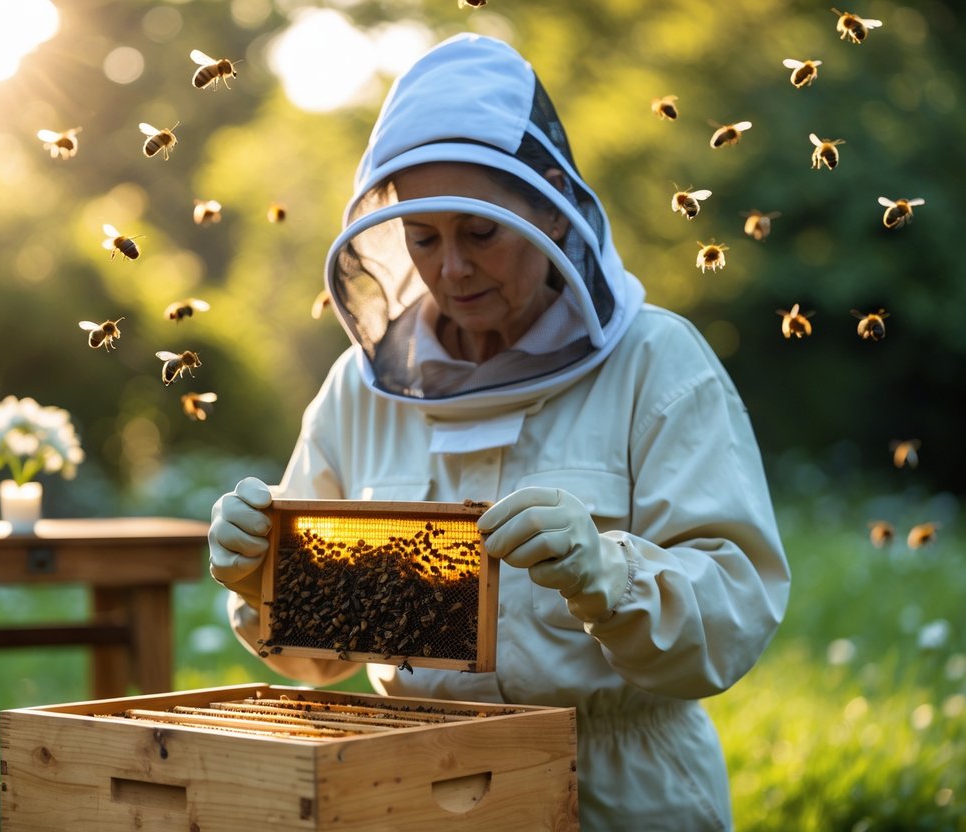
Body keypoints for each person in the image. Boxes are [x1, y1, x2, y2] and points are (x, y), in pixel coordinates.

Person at [208, 33, 789, 831]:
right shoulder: (360, 385)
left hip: (618, 791)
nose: (450, 271)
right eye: (423, 238)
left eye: (478, 232)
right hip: (408, 790)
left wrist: (605, 576)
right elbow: (323, 660)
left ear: (550, 202)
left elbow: (731, 617)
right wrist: (267, 579)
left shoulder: (657, 362)